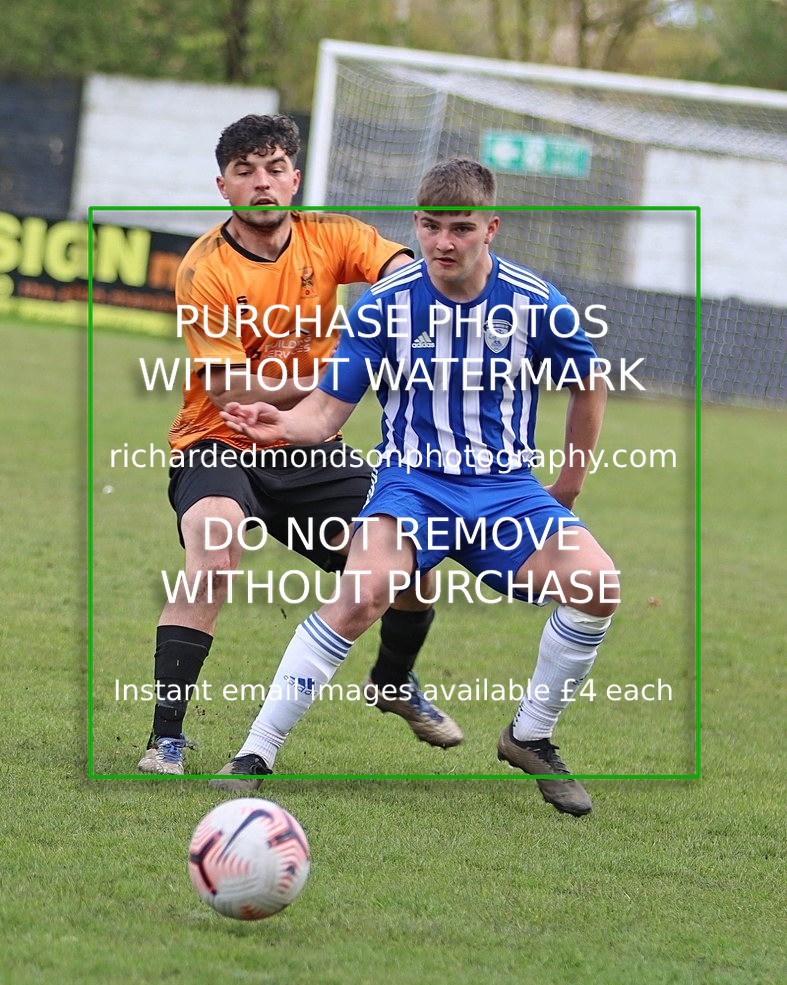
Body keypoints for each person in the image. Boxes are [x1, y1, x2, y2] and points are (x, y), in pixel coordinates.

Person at [212, 158, 621, 816]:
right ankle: (255, 751)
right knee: (362, 593)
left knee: (598, 586)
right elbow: (323, 413)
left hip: (505, 491)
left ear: (491, 228)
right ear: (416, 225)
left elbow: (589, 379)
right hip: (412, 488)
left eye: (460, 229)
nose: (442, 243)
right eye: (429, 227)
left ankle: (529, 737)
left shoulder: (533, 302)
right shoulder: (381, 307)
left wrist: (567, 483)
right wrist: (280, 422)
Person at [138, 114, 462, 777]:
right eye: (245, 171)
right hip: (218, 441)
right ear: (223, 186)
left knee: (408, 557)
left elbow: (402, 271)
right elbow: (231, 391)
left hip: (309, 445)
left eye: (274, 168)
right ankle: (165, 738)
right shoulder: (206, 269)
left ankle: (393, 679)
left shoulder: (332, 235)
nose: (262, 183)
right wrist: (345, 368)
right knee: (214, 547)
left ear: (294, 178)